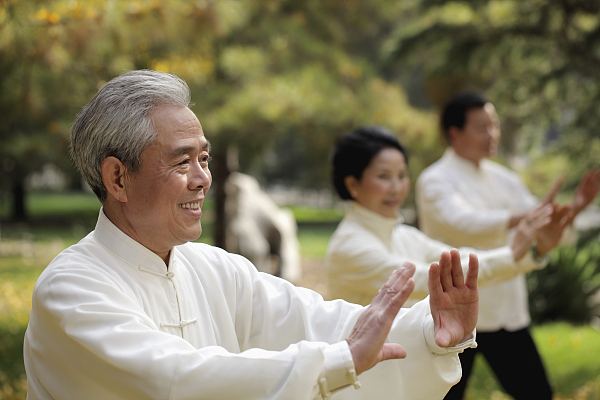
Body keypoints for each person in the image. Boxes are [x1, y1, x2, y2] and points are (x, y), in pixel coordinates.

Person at [24, 70, 480, 400]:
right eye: (182, 162)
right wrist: (337, 362)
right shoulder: (72, 290)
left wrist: (430, 329)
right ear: (118, 178)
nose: (203, 179)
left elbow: (314, 319)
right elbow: (175, 379)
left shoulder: (213, 267)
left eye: (204, 159)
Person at [416, 91, 600, 400]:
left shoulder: (504, 179)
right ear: (454, 133)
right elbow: (463, 222)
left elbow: (539, 229)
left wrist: (573, 210)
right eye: (481, 127)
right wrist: (527, 216)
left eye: (494, 125)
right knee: (442, 396)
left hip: (505, 311)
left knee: (536, 393)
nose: (492, 134)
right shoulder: (435, 180)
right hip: (452, 314)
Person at [326, 126, 569, 307]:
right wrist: (513, 252)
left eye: (401, 176)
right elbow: (429, 280)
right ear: (353, 184)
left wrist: (533, 251)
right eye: (384, 176)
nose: (396, 187)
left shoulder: (404, 236)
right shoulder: (351, 246)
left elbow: (457, 259)